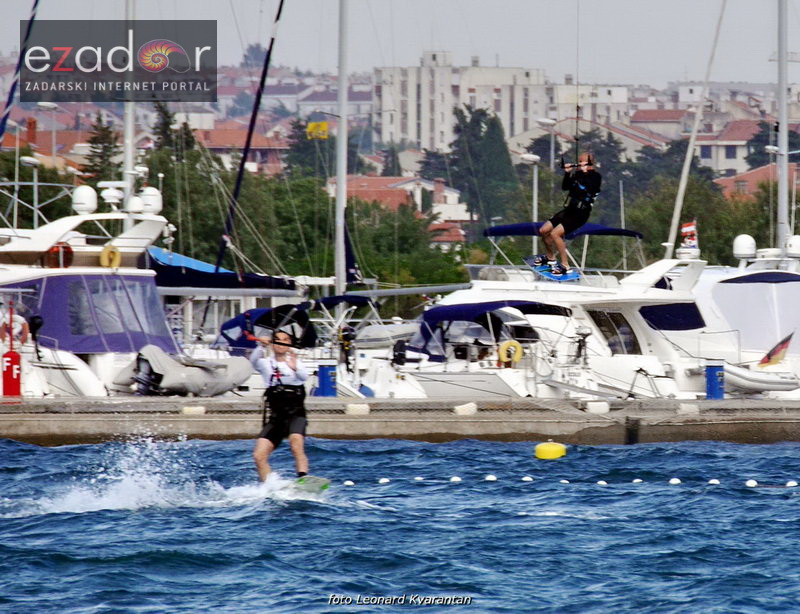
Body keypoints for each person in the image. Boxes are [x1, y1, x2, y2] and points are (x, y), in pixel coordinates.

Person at [251, 330, 310, 482]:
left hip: (295, 414)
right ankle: (270, 485)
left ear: (289, 343)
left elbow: (304, 377)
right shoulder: (266, 363)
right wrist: (260, 345)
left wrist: (294, 367)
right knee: (259, 455)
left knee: (296, 444)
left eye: (285, 340)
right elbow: (253, 361)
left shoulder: (296, 363)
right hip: (276, 417)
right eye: (277, 340)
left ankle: (302, 478)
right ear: (273, 343)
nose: (281, 343)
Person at [532, 152, 602, 276]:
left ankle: (565, 265)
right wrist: (568, 173)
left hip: (581, 213)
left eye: (582, 162)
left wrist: (583, 175)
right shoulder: (578, 174)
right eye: (579, 162)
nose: (579, 164)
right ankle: (550, 258)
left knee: (555, 234)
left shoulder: (595, 177)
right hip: (569, 210)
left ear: (590, 163)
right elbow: (565, 187)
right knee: (544, 230)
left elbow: (588, 189)